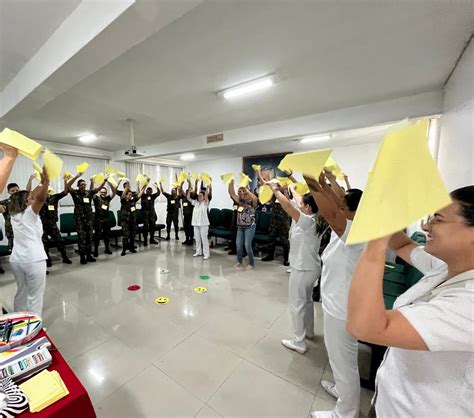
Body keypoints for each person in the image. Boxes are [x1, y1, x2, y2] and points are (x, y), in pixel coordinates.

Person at [346, 186, 474, 418]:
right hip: (389, 402)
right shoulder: (445, 267)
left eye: (438, 219)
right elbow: (403, 245)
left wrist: (376, 242)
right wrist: (383, 215)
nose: (425, 226)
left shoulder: (469, 303)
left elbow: (365, 327)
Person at [305, 172, 364, 418]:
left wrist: (311, 179)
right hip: (335, 302)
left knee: (344, 360)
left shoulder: (355, 232)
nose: (338, 208)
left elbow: (330, 211)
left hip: (343, 307)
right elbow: (339, 200)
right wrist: (327, 181)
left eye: (342, 206)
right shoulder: (349, 228)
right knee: (337, 355)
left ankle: (346, 412)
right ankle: (341, 389)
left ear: (352, 211)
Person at [267, 180, 324, 354]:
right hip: (311, 268)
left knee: (296, 304)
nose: (299, 204)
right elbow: (296, 203)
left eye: (302, 204)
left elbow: (288, 207)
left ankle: (299, 341)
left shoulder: (308, 222)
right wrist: (291, 188)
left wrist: (275, 190)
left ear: (307, 207)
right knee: (306, 301)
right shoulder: (317, 217)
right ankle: (309, 332)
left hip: (302, 268)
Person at [9, 167, 49, 316]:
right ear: (25, 201)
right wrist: (47, 182)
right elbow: (41, 199)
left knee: (21, 292)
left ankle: (18, 320)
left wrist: (42, 182)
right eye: (30, 198)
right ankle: (34, 329)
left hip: (16, 260)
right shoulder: (30, 214)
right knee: (35, 296)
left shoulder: (13, 214)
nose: (33, 198)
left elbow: (33, 195)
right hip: (33, 260)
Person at [67, 173, 106, 264]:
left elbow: (99, 189)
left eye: (84, 184)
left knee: (89, 238)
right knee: (82, 238)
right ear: (78, 186)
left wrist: (105, 180)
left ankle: (89, 255)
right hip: (79, 220)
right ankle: (82, 257)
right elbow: (68, 186)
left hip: (88, 219)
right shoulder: (75, 193)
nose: (83, 186)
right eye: (81, 184)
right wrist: (76, 176)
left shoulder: (89, 193)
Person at [40, 174, 72, 266]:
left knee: (60, 241)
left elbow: (65, 192)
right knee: (44, 244)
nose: (47, 192)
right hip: (42, 226)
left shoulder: (54, 198)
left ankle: (64, 257)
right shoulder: (39, 200)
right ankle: (47, 260)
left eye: (48, 191)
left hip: (52, 224)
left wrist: (65, 181)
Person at [228, 178, 258, 271]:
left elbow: (255, 198)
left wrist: (246, 190)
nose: (239, 193)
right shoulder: (240, 202)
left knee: (247, 245)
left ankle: (251, 263)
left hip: (250, 226)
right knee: (238, 244)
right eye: (239, 191)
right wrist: (231, 182)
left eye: (241, 192)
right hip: (240, 227)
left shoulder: (252, 202)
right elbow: (232, 193)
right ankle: (239, 261)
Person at [0, 176, 34, 252]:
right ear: (8, 192)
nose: (15, 192)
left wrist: (30, 179)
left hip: (24, 229)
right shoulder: (6, 202)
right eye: (12, 191)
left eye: (17, 190)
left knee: (26, 249)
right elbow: (2, 209)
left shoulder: (23, 200)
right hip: (11, 231)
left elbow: (28, 191)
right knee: (14, 251)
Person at [93, 178, 119, 256]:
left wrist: (110, 183)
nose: (103, 193)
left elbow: (114, 192)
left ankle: (107, 249)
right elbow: (92, 192)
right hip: (98, 220)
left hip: (106, 220)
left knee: (106, 236)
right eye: (102, 192)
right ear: (99, 192)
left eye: (104, 192)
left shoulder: (108, 198)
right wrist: (103, 182)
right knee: (97, 236)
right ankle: (96, 250)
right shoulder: (96, 198)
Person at [120, 182, 145, 256]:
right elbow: (123, 195)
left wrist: (144, 185)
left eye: (131, 195)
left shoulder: (133, 200)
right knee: (125, 236)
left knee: (132, 235)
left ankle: (131, 247)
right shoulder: (123, 201)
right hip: (125, 221)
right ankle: (124, 250)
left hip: (132, 221)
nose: (131, 196)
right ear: (126, 195)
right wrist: (127, 187)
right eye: (129, 195)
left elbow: (140, 194)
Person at [187, 185, 210, 259]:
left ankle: (206, 254)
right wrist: (189, 191)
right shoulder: (195, 203)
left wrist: (207, 189)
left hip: (204, 224)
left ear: (203, 197)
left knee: (204, 239)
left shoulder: (205, 203)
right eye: (199, 196)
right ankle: (198, 252)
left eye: (201, 196)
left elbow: (206, 196)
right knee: (197, 239)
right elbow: (188, 198)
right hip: (195, 224)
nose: (199, 197)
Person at [140, 179, 160, 246]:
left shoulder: (152, 196)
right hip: (145, 214)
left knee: (152, 227)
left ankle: (152, 239)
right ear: (146, 191)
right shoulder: (143, 196)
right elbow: (141, 191)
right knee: (145, 228)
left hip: (151, 214)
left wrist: (157, 186)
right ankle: (145, 240)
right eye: (148, 191)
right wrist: (145, 184)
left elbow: (158, 193)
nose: (149, 192)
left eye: (150, 191)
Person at [181, 180, 194, 246]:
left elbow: (189, 190)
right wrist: (181, 184)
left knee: (190, 228)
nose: (186, 193)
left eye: (188, 192)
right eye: (186, 193)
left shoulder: (190, 199)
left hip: (190, 216)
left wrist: (189, 183)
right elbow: (181, 190)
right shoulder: (183, 198)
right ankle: (187, 239)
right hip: (185, 216)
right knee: (186, 228)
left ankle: (191, 240)